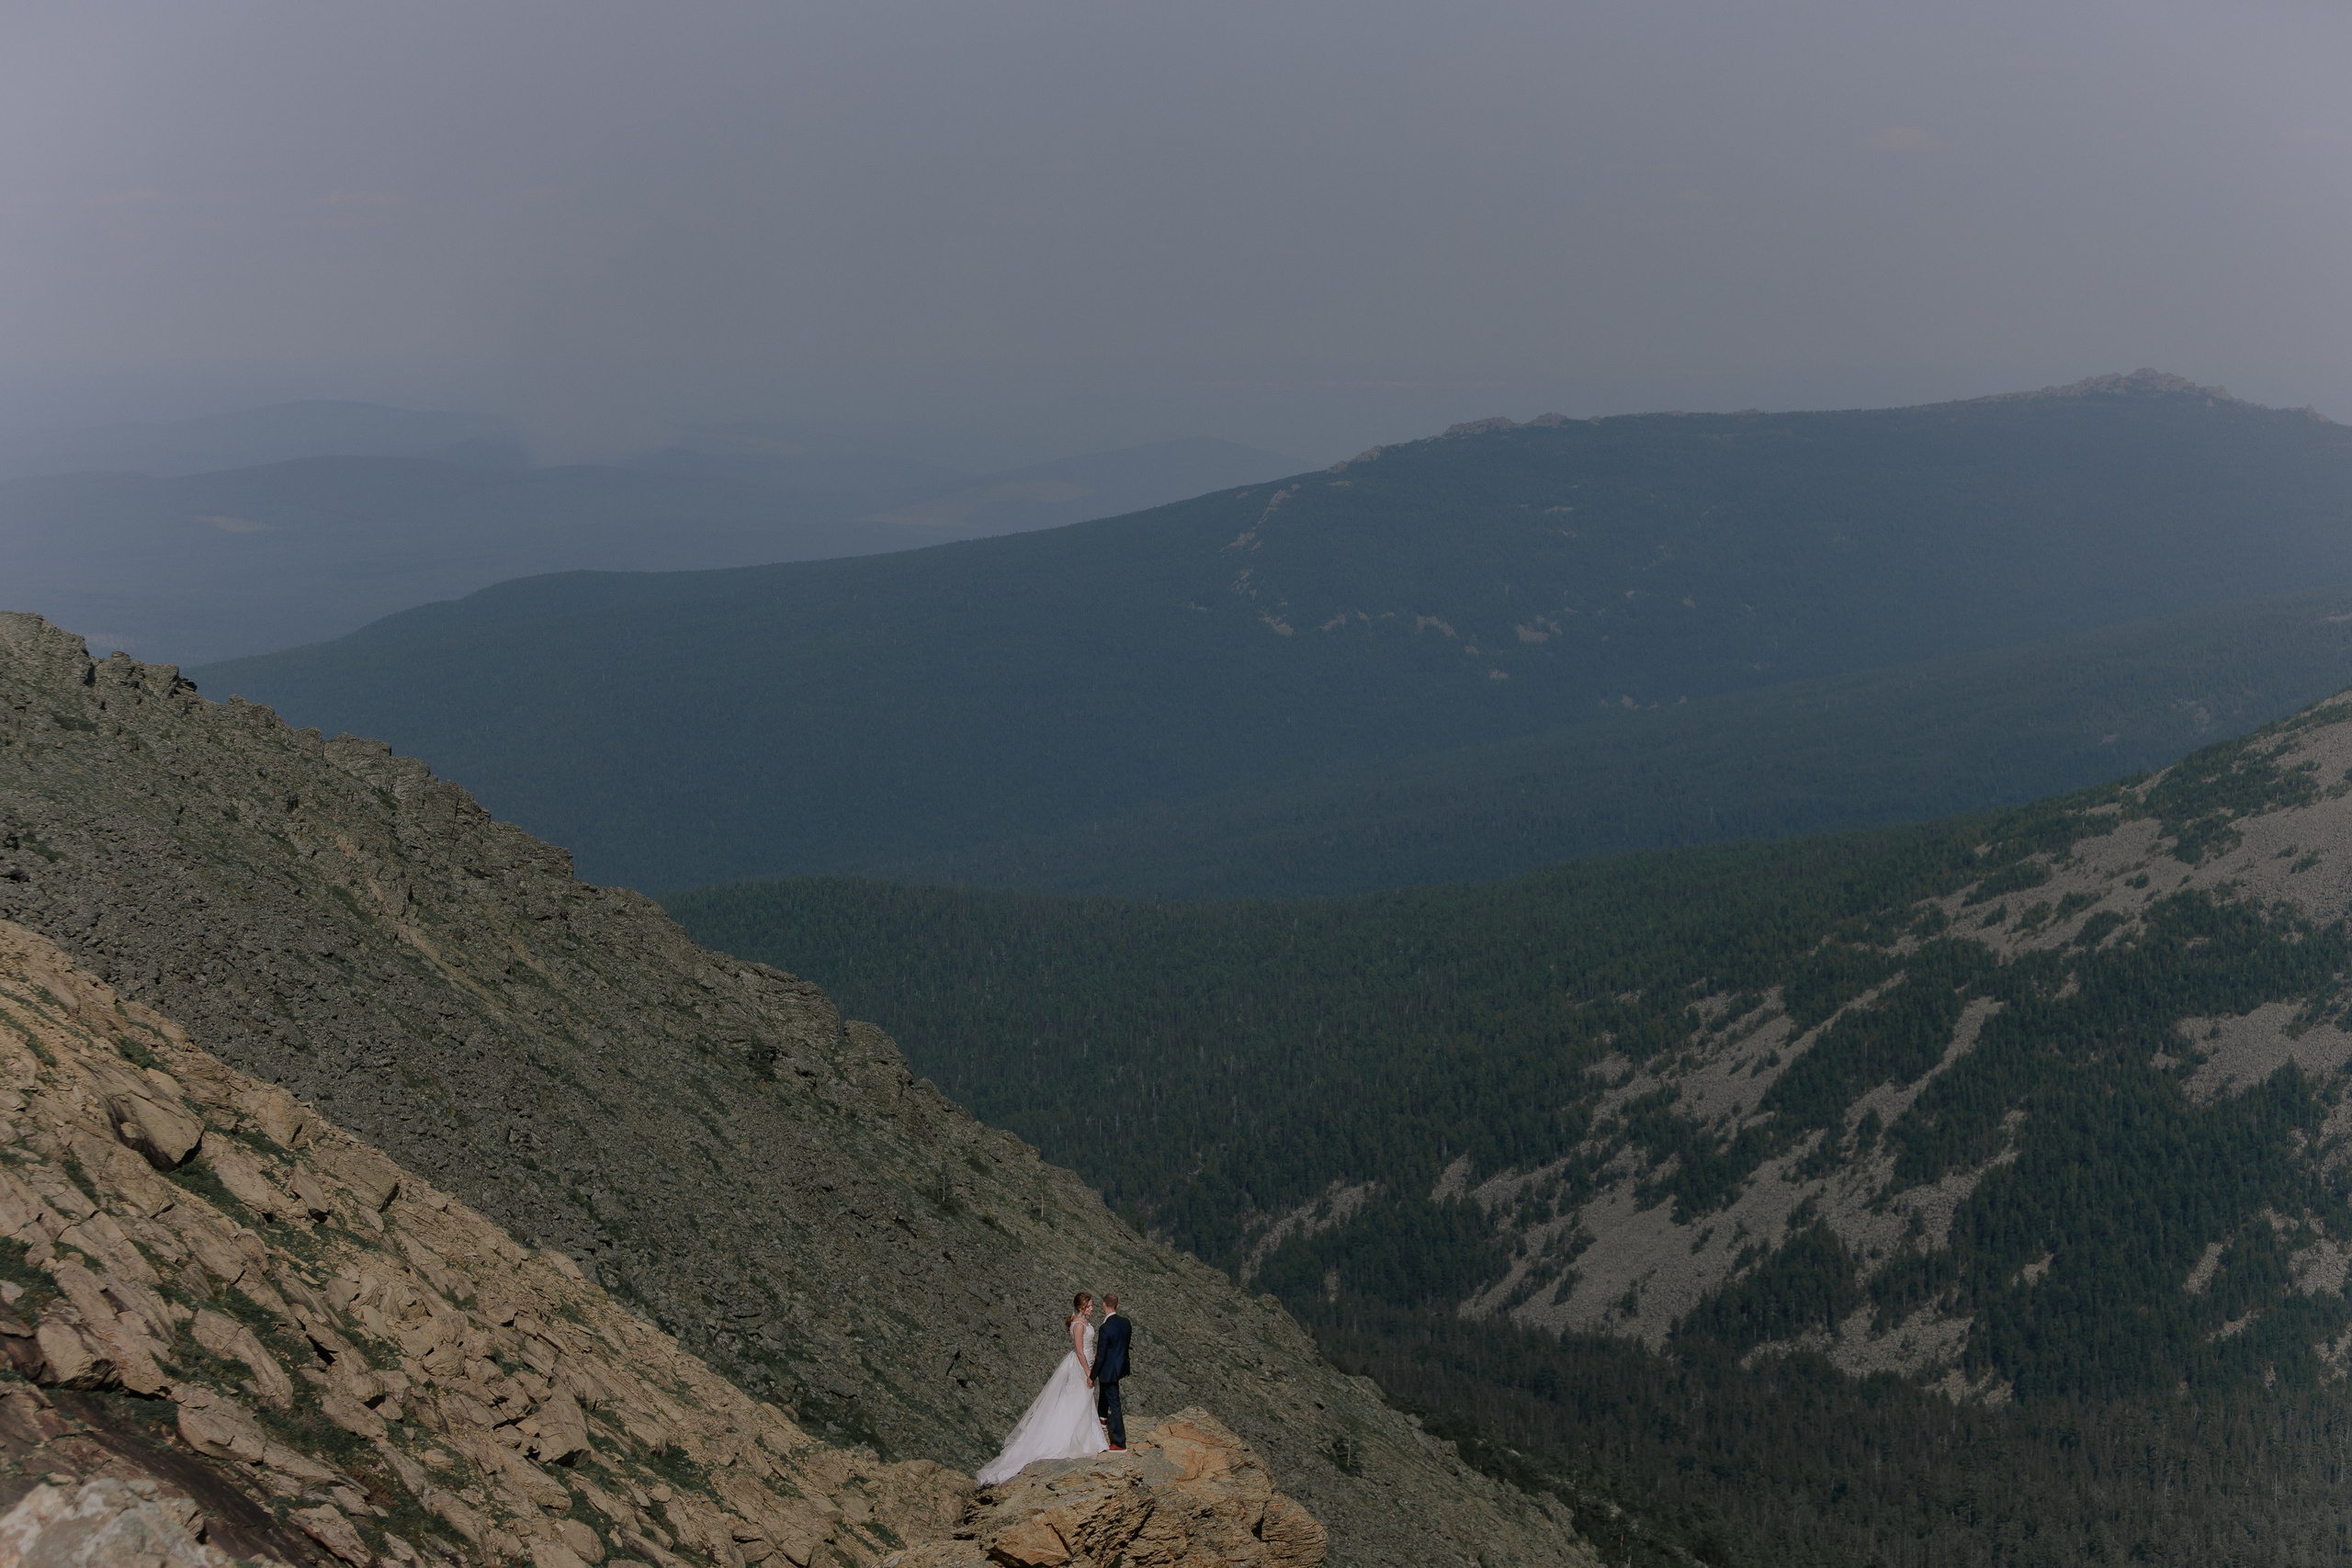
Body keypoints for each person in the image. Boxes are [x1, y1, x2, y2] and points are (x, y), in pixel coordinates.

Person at [976, 1291, 1110, 1485]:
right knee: (1077, 1399)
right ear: (1081, 1307)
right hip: (1081, 1366)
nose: (1092, 1308)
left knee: (1084, 1400)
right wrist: (1089, 1372)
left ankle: (1088, 1437)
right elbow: (1080, 1352)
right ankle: (1073, 1439)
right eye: (1089, 1305)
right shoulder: (1079, 1325)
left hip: (1087, 1362)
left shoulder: (1082, 1322)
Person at [1091, 1292, 1130, 1451]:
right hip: (1120, 1367)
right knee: (1106, 1394)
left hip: (1108, 1370)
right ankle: (1102, 1419)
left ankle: (1119, 1443)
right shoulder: (1126, 1322)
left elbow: (1100, 1356)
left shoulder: (1105, 1328)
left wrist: (1092, 1376)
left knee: (1115, 1404)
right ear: (1117, 1305)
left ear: (1103, 1305)